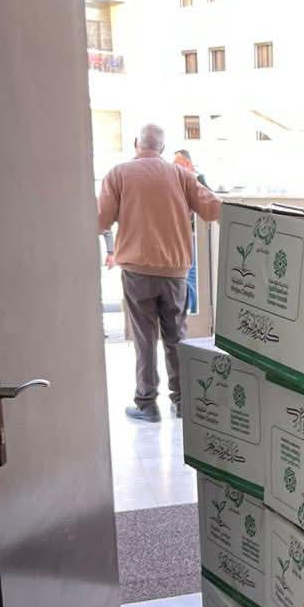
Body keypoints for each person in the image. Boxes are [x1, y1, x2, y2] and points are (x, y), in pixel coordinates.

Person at [98, 122, 222, 422]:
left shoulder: (118, 174)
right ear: (163, 148)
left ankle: (147, 404)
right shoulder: (181, 175)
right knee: (176, 336)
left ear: (136, 143)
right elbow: (214, 209)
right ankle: (183, 401)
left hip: (137, 270)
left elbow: (101, 220)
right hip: (174, 270)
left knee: (144, 338)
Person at [173, 148, 207, 314]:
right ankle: (189, 309)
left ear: (187, 163)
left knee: (192, 275)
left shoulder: (196, 180)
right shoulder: (181, 181)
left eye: (176, 163)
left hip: (194, 235)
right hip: (185, 235)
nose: (173, 166)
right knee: (189, 275)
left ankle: (191, 310)